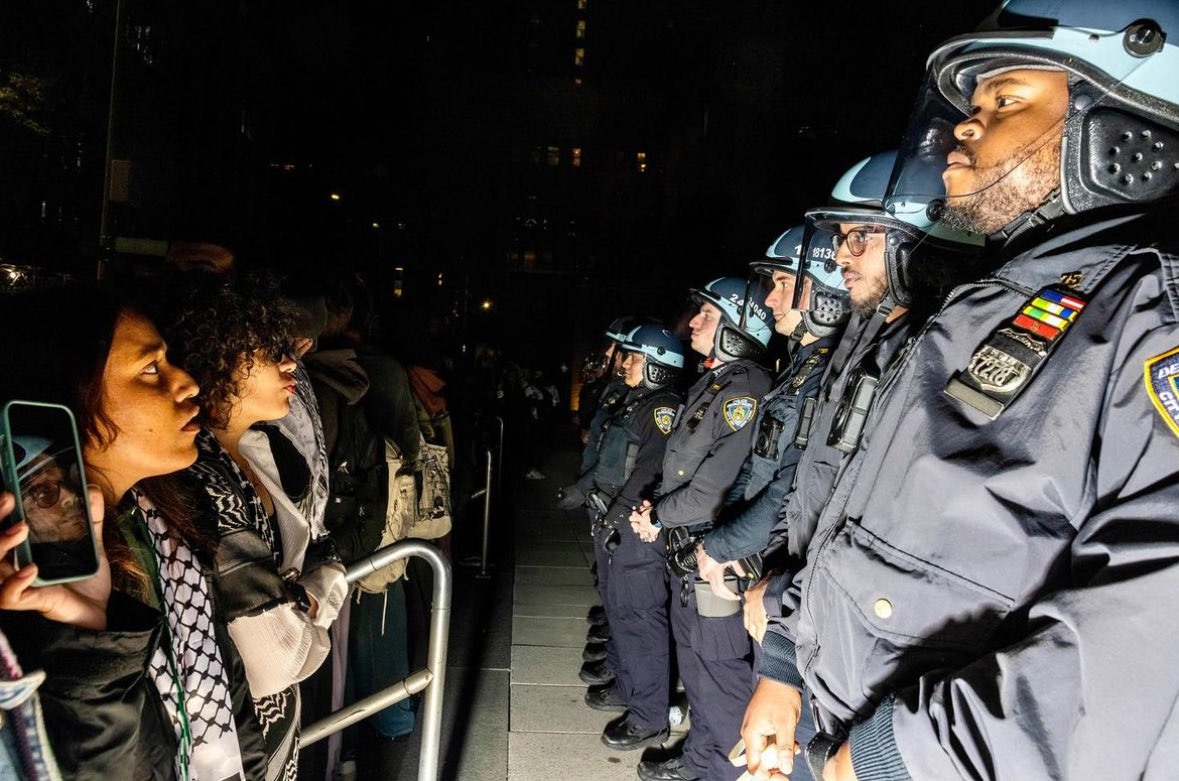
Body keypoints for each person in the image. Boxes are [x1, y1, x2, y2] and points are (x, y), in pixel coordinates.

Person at [744, 2, 1179, 779]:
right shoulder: (997, 302)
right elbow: (864, 509)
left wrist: (903, 757)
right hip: (850, 724)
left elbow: (1149, 629)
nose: (960, 130)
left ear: (1121, 134)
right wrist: (783, 664)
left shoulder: (1151, 318)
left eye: (1004, 101)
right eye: (969, 108)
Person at [0, 284, 266, 780]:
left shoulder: (165, 523)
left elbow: (228, 691)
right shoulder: (31, 586)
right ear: (70, 396)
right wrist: (90, 646)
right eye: (150, 369)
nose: (186, 382)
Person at [164, 273, 348, 780]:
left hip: (269, 727)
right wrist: (319, 594)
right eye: (269, 351)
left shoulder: (256, 447)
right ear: (216, 359)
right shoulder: (199, 474)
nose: (291, 363)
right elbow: (277, 660)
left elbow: (320, 552)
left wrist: (298, 600)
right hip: (235, 734)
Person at [630, 277, 773, 781]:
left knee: (720, 674)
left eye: (707, 315)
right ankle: (700, 760)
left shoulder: (746, 389)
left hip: (714, 557)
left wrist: (658, 515)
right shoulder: (716, 382)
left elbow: (714, 489)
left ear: (739, 325)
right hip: (687, 551)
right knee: (696, 667)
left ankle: (724, 770)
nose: (693, 322)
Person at [573, 325, 686, 752]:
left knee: (640, 621)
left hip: (636, 529)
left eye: (634, 358)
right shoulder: (633, 401)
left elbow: (649, 471)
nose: (624, 363)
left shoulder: (662, 407)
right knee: (619, 613)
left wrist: (617, 519)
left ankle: (649, 717)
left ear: (658, 365)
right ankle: (627, 687)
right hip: (614, 524)